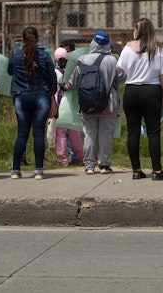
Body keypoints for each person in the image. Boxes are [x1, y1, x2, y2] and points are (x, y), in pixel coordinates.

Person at [117, 18, 163, 181]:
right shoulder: (157, 49)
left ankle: (136, 169)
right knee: (153, 131)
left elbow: (119, 68)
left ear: (138, 30)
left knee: (132, 131)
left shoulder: (127, 48)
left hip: (132, 90)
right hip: (151, 91)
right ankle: (157, 170)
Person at [64, 32, 124, 175]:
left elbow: (74, 80)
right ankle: (104, 164)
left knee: (89, 134)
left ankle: (89, 165)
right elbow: (121, 78)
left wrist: (64, 86)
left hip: (86, 104)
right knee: (106, 135)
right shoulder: (112, 60)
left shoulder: (82, 59)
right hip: (109, 105)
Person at [8, 26, 57, 180]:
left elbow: (10, 71)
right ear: (37, 39)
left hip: (21, 97)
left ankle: (15, 169)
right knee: (38, 134)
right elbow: (52, 78)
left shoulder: (15, 55)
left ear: (22, 39)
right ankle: (38, 170)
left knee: (22, 134)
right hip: (41, 97)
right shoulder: (44, 55)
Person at [52, 47, 84, 166]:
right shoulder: (73, 70)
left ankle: (62, 159)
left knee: (60, 132)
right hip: (72, 103)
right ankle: (80, 156)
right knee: (74, 130)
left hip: (59, 104)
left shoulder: (55, 73)